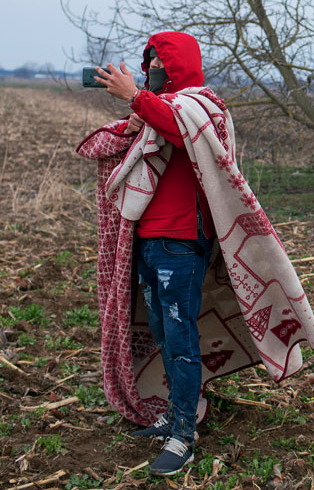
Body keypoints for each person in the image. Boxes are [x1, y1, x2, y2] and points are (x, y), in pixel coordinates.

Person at [93, 31, 217, 476]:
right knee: (164, 335)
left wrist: (137, 98)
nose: (151, 71)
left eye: (158, 62)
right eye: (147, 63)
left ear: (176, 64)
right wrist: (133, 117)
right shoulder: (156, 109)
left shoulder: (201, 106)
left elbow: (183, 132)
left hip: (182, 243)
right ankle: (173, 414)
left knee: (182, 341)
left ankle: (184, 434)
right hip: (148, 242)